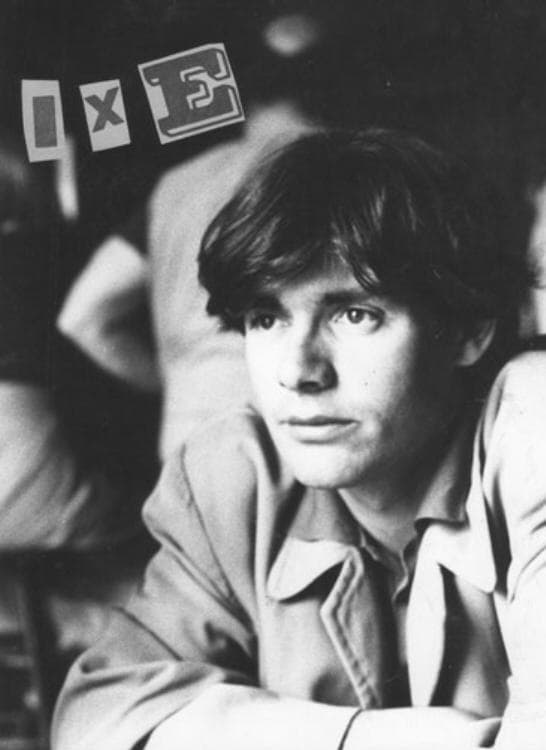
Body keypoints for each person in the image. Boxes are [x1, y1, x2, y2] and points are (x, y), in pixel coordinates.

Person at [52, 129, 542, 750]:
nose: (297, 371)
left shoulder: (529, 428)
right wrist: (365, 741)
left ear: (469, 329)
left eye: (355, 314)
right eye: (267, 318)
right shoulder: (237, 478)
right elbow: (100, 715)